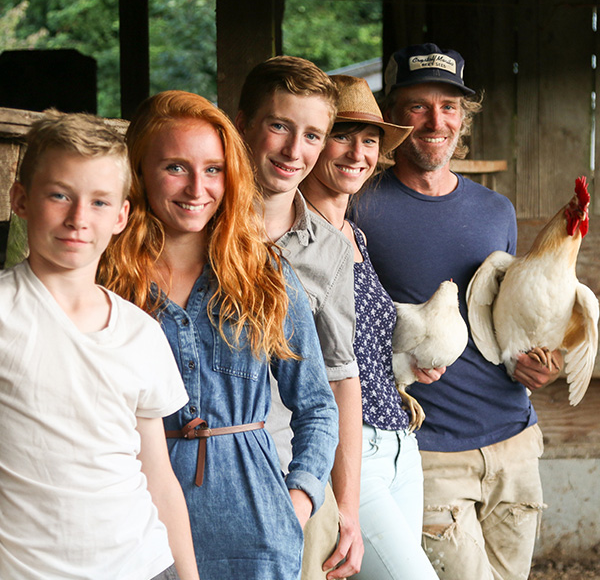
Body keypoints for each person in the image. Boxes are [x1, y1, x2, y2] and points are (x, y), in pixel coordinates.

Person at [98, 90, 339, 580]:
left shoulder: (264, 273)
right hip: (132, 521)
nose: (196, 188)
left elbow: (317, 404)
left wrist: (296, 501)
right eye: (175, 168)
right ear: (140, 171)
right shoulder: (106, 276)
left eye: (212, 169)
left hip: (255, 526)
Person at [350, 43, 563, 580]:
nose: (434, 120)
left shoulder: (496, 210)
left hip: (513, 437)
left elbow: (504, 321)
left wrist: (536, 363)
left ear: (463, 117)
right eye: (417, 105)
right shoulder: (361, 206)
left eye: (448, 106)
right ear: (392, 117)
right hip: (430, 450)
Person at [0, 110, 199, 580]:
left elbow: (159, 478)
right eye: (59, 195)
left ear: (121, 216)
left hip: (145, 566)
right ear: (21, 199)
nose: (77, 219)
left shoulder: (141, 332)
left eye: (99, 202)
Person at [300, 74, 439, 580]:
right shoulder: (293, 236)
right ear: (314, 142)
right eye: (342, 134)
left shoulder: (353, 232)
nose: (357, 152)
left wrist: (410, 362)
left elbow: (360, 341)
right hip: (348, 449)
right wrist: (344, 500)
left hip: (400, 440)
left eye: (371, 139)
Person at [235, 56, 363, 580]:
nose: (294, 151)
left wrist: (347, 508)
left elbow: (340, 377)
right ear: (242, 124)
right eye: (279, 126)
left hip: (297, 475)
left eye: (313, 135)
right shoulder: (194, 223)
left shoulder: (330, 249)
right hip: (204, 466)